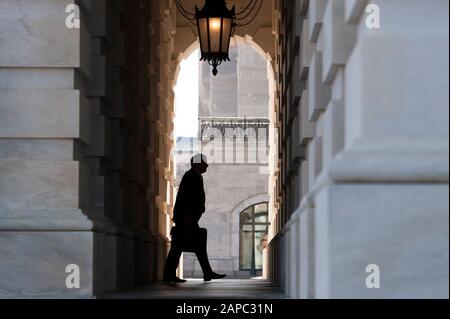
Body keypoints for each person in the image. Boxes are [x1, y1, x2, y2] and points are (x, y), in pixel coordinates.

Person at [163, 153, 227, 284]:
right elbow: (187, 197)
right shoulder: (191, 176)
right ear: (198, 164)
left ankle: (207, 272)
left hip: (189, 217)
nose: (207, 165)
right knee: (179, 247)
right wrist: (187, 216)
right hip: (187, 218)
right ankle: (171, 275)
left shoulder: (194, 175)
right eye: (204, 162)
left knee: (196, 245)